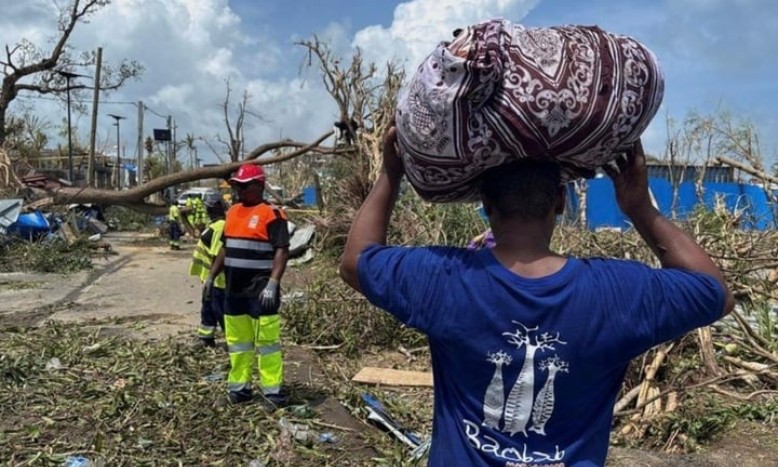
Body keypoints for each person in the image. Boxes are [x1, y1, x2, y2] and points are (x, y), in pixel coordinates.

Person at [339, 128, 734, 467]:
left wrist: (391, 172)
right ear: (561, 202)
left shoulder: (446, 278)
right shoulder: (616, 291)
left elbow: (356, 261)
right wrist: (640, 208)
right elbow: (713, 291)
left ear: (485, 206)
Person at [208, 163, 290, 407]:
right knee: (238, 344)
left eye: (244, 186)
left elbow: (282, 251)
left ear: (259, 186)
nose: (240, 191)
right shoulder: (232, 212)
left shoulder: (271, 214)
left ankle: (273, 393)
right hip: (234, 291)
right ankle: (240, 389)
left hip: (260, 290)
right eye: (237, 187)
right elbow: (225, 247)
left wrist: (273, 283)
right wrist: (212, 276)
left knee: (267, 344)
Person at [189, 196, 227, 347]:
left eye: (209, 208)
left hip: (218, 280)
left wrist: (212, 276)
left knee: (221, 311)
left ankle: (235, 342)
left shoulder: (220, 227)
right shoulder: (214, 225)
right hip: (210, 279)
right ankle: (206, 337)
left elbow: (218, 254)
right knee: (208, 309)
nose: (207, 210)